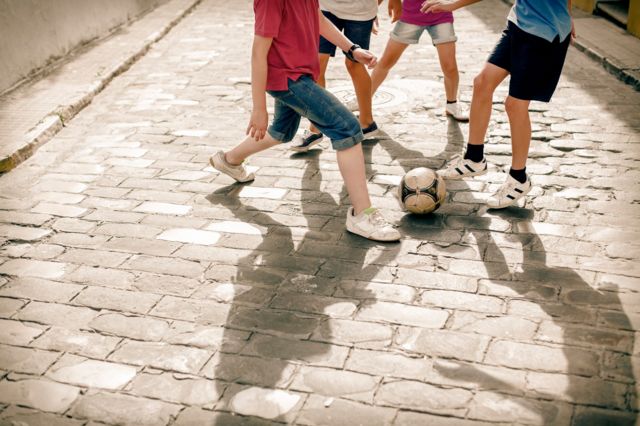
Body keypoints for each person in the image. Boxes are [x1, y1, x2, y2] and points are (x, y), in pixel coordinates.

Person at [210, 0, 401, 242]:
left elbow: (318, 19)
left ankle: (229, 160)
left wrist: (352, 49)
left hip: (300, 73)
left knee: (282, 131)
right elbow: (259, 52)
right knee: (347, 128)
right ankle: (362, 214)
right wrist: (259, 107)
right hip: (288, 79)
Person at [425, 0, 574, 208]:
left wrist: (452, 5)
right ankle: (474, 158)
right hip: (519, 23)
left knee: (515, 105)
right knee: (482, 82)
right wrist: (567, 15)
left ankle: (519, 179)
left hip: (543, 35)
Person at [291, 0, 402, 152]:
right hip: (325, 7)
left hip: (360, 12)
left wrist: (376, 6)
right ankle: (315, 129)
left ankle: (367, 123)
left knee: (354, 64)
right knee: (316, 64)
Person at [370, 0, 469, 122]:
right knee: (386, 62)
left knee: (450, 67)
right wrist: (372, 12)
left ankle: (452, 105)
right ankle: (363, 101)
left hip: (441, 16)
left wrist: (451, 4)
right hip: (410, 17)